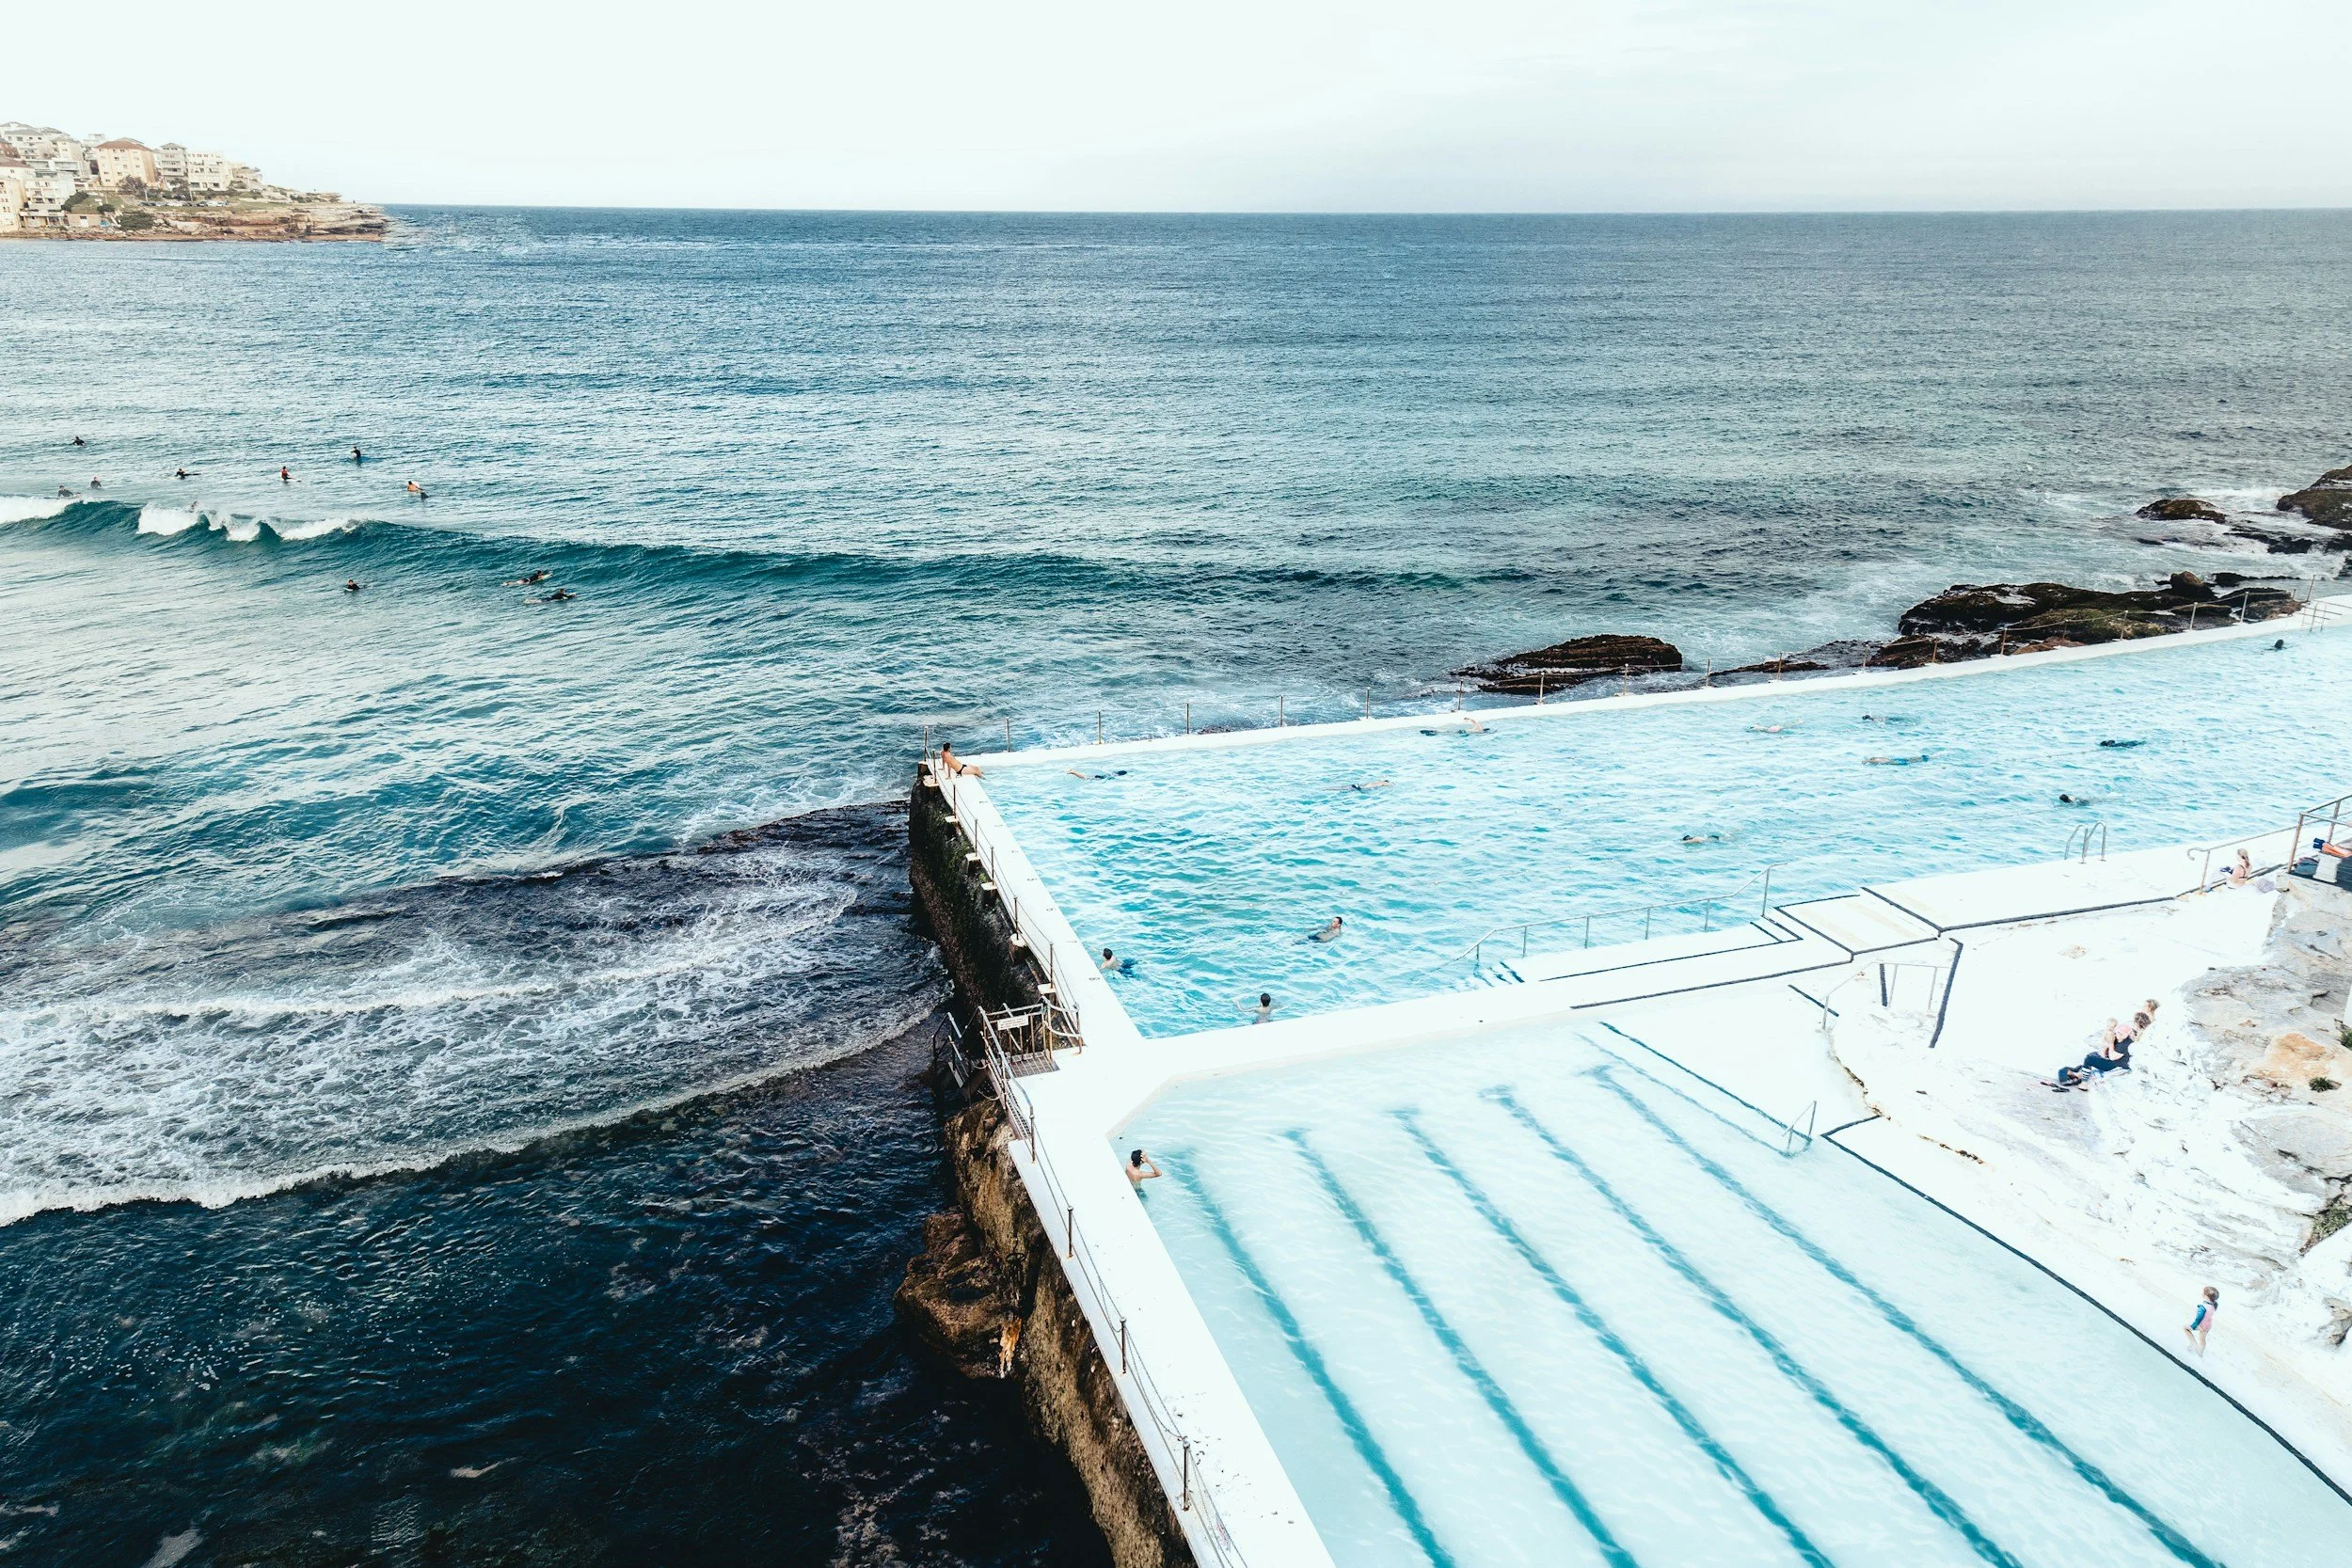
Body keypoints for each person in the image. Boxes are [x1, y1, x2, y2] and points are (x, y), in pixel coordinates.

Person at [2184, 1286, 2219, 1355]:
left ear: (2205, 1296)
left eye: (2203, 1293)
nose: (2202, 1294)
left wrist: (2194, 1326)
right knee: (2202, 1339)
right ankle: (2200, 1352)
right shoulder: (2214, 1305)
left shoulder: (2203, 1307)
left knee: (2186, 1328)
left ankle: (2193, 1345)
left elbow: (2199, 1318)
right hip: (2208, 1325)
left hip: (2202, 1325)